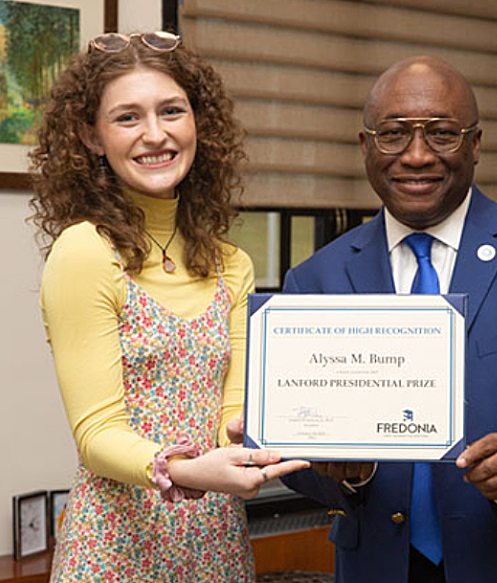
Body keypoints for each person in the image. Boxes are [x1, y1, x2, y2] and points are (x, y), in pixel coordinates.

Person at [280, 56, 497, 583]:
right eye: (393, 134)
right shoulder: (315, 279)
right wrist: (349, 477)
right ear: (366, 145)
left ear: (476, 144)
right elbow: (299, 445)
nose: (416, 156)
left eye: (442, 134)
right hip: (380, 564)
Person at [30, 32, 307, 582]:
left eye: (171, 111)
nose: (155, 135)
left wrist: (274, 431)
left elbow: (231, 416)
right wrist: (186, 469)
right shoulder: (85, 251)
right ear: (91, 135)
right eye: (127, 118)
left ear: (197, 121)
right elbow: (97, 434)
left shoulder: (232, 263)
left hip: (216, 543)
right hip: (116, 546)